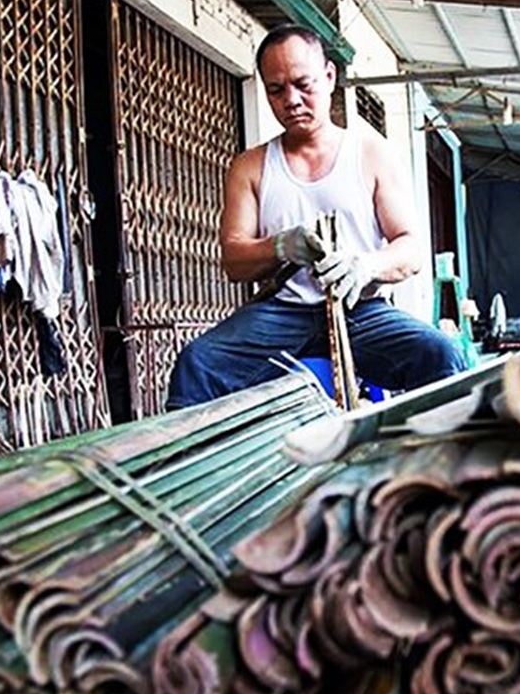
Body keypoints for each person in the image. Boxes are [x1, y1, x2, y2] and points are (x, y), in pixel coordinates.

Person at [166, 24, 466, 409]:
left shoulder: (370, 152)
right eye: (276, 90)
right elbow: (233, 261)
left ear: (329, 76)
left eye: (303, 84)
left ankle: (431, 447)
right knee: (198, 365)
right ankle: (205, 453)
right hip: (281, 313)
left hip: (360, 309)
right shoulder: (250, 166)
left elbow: (410, 249)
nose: (291, 100)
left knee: (440, 356)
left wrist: (364, 266)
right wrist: (279, 246)